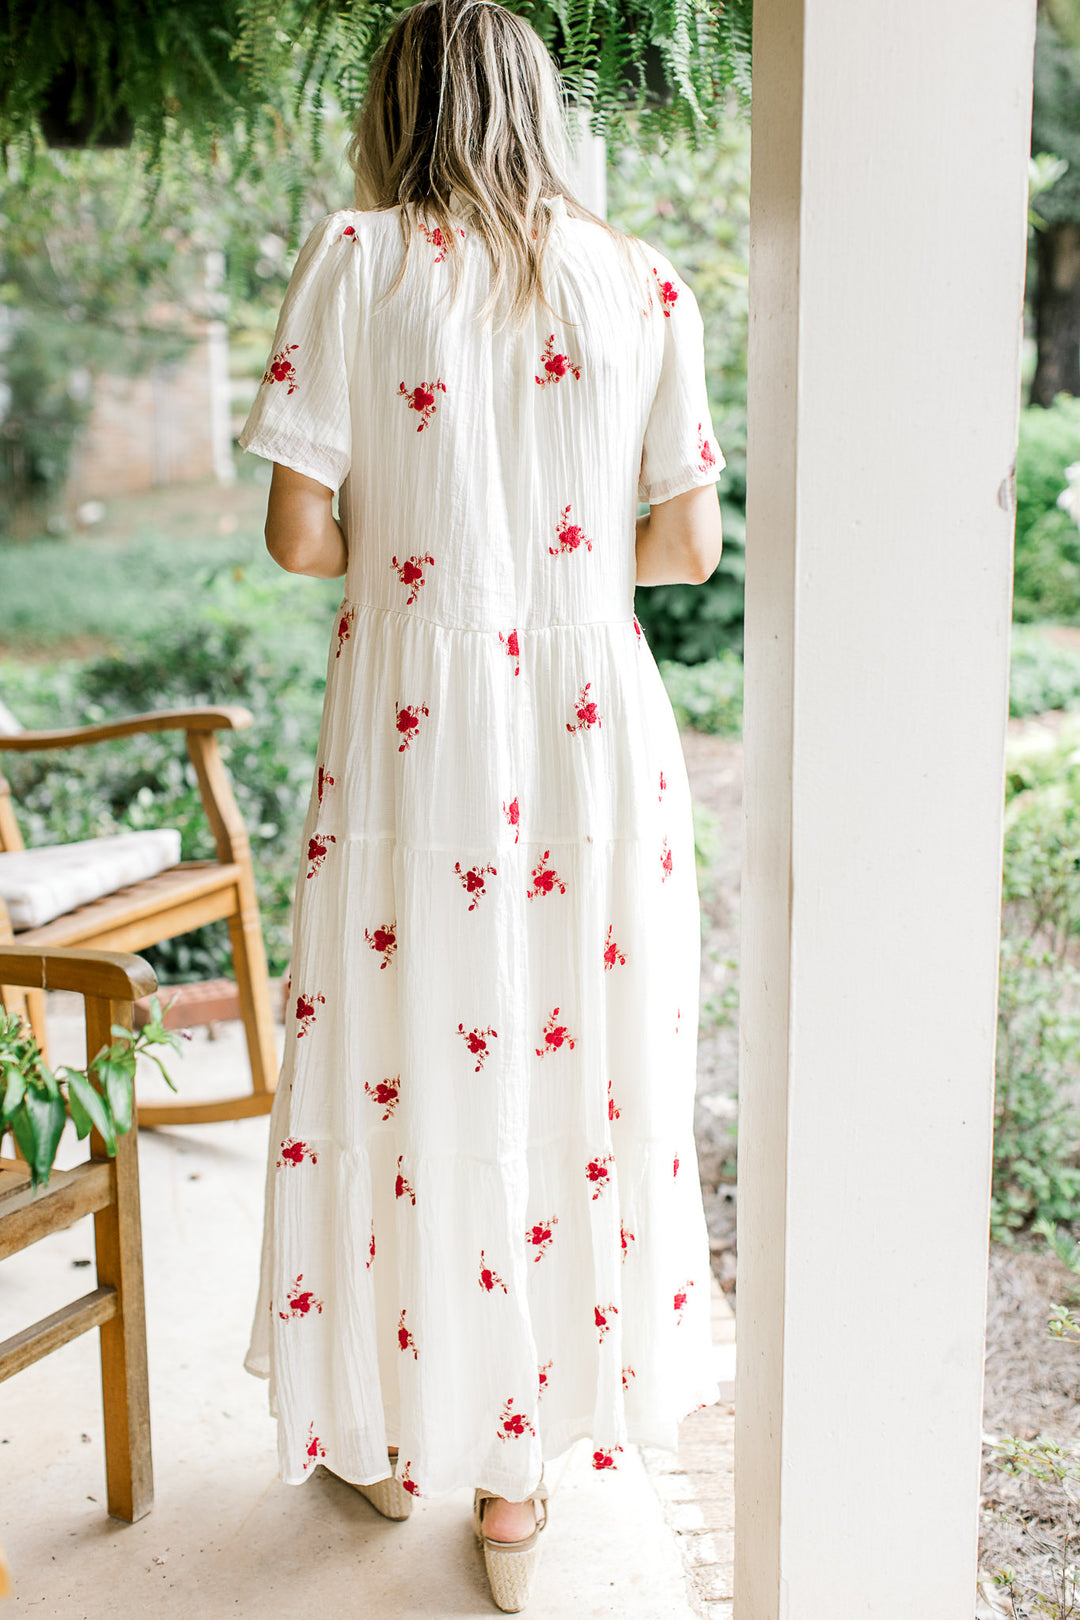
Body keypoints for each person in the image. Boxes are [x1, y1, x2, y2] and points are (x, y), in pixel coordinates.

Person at [237, 0, 725, 1608]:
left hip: (417, 718)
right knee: (571, 1062)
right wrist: (550, 562)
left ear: (395, 105)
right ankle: (520, 1488)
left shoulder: (360, 256)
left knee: (399, 1051)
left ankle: (381, 1429)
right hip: (589, 722)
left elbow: (304, 541)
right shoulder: (643, 275)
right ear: (542, 107)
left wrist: (436, 543)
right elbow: (688, 547)